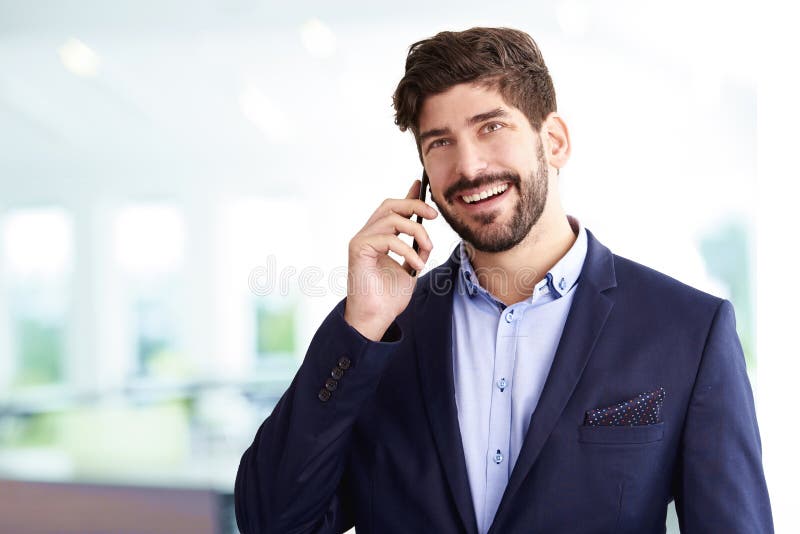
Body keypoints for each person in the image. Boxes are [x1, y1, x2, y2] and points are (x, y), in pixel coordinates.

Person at [235, 27, 773, 533]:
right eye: (440, 142)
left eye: (491, 127)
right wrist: (359, 329)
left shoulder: (687, 331)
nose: (468, 167)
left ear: (555, 141)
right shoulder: (382, 337)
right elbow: (272, 521)